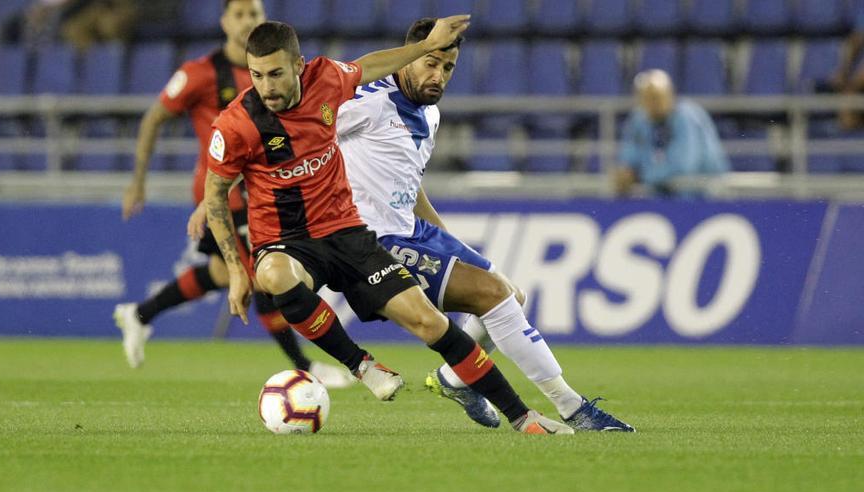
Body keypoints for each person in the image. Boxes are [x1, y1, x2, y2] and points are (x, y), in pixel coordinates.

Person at [205, 18, 572, 434]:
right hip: (289, 242)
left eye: (275, 74)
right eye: (257, 76)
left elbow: (372, 65)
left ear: (298, 66)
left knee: (431, 323)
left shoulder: (326, 80)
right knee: (272, 274)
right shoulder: (236, 125)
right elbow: (215, 194)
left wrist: (426, 47)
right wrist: (237, 270)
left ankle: (523, 417)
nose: (266, 87)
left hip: (348, 234)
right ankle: (361, 365)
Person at [335, 18, 633, 432]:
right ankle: (573, 408)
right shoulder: (364, 104)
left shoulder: (431, 114)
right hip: (373, 240)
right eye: (430, 63)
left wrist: (445, 239)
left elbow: (408, 182)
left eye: (448, 68)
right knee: (492, 295)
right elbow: (306, 142)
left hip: (412, 229)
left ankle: (454, 379)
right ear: (407, 58)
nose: (438, 76)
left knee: (513, 294)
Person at [113, 0, 352, 388]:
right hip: (226, 196)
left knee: (226, 271)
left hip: (267, 191)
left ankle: (139, 314)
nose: (246, 22)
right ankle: (306, 367)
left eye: (254, 15)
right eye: (239, 15)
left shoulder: (281, 75)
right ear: (225, 22)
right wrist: (137, 181)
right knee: (260, 279)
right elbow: (154, 117)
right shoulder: (199, 74)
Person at [614, 69, 729, 198]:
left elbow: (683, 165)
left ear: (670, 95)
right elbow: (630, 153)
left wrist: (640, 175)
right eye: (646, 98)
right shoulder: (640, 119)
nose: (653, 103)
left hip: (705, 195)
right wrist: (626, 170)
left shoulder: (687, 117)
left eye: (656, 97)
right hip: (665, 194)